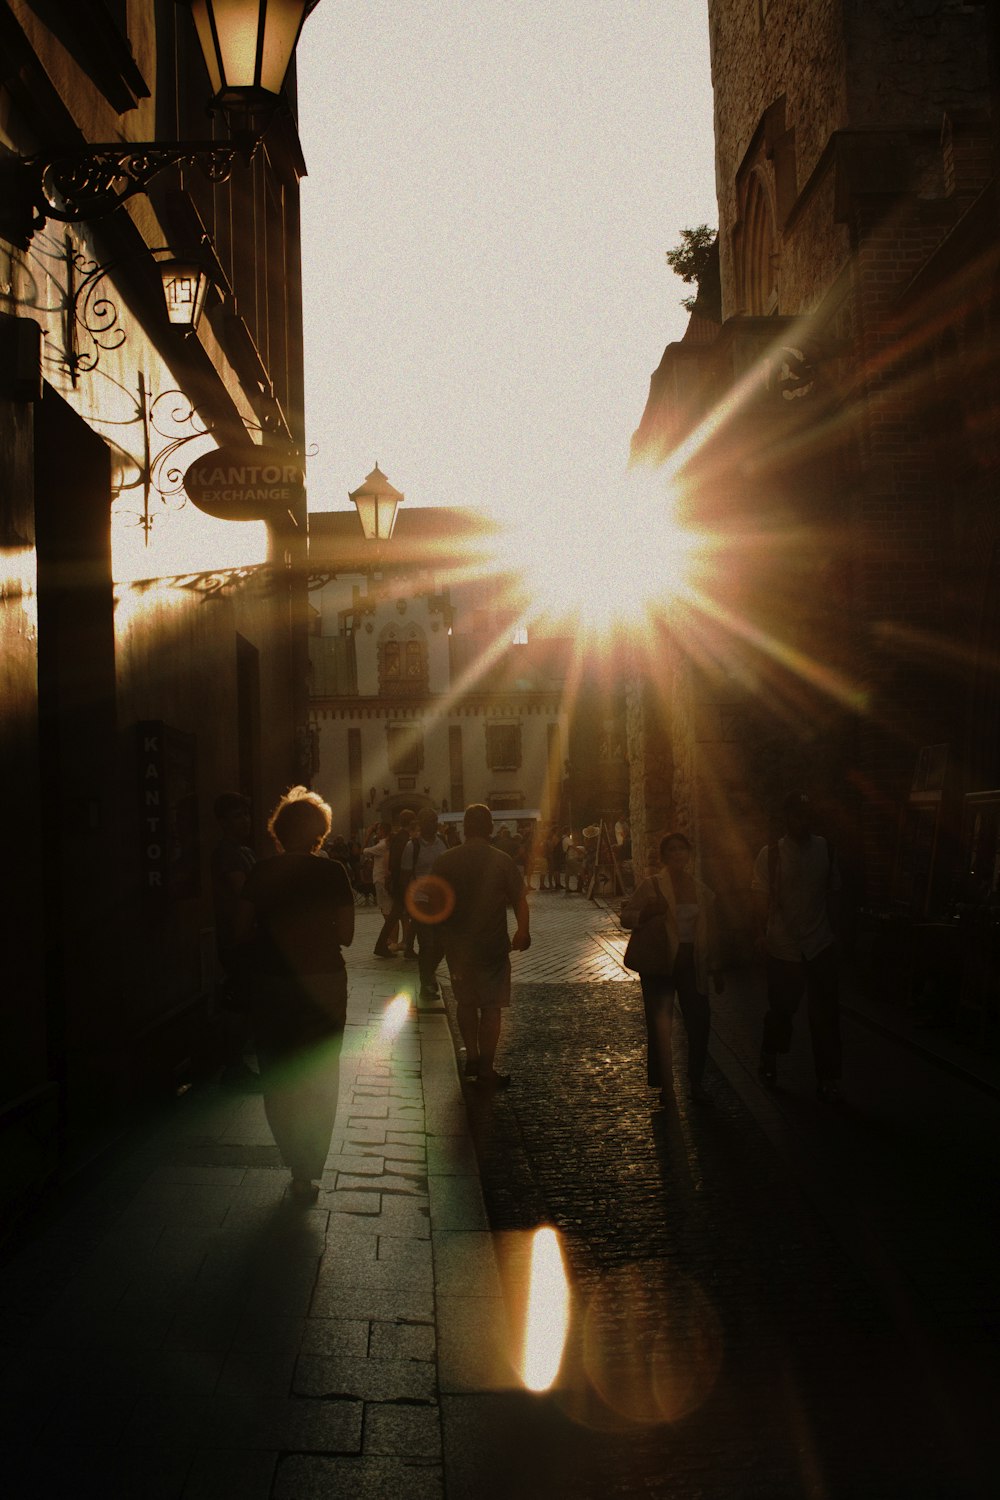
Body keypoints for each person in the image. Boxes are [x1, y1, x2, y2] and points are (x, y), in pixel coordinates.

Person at [236, 786, 355, 1202]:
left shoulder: (261, 872)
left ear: (279, 831)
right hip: (322, 979)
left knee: (278, 1069)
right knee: (321, 1071)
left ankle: (292, 1161)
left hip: (271, 982)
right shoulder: (333, 873)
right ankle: (309, 1166)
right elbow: (348, 935)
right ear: (320, 831)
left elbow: (240, 929)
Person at [620, 831, 725, 1106]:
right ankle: (666, 1084)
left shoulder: (702, 891)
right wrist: (646, 913)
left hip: (692, 964)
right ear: (664, 857)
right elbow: (627, 917)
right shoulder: (652, 886)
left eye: (682, 849)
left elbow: (711, 932)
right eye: (672, 850)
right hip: (660, 965)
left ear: (688, 854)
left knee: (699, 1024)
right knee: (660, 1027)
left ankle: (696, 1081)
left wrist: (716, 966)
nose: (678, 854)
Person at [751, 792, 842, 1102]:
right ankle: (770, 1057)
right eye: (796, 816)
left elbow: (833, 894)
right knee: (781, 1011)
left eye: (805, 816)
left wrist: (837, 935)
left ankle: (828, 1077)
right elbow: (759, 898)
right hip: (783, 946)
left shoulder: (825, 850)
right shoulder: (771, 855)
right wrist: (760, 933)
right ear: (787, 818)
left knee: (825, 1016)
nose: (801, 822)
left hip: (819, 943)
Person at [432, 803, 531, 1088]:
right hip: (492, 946)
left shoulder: (445, 861)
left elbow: (434, 903)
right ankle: (486, 1066)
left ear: (465, 827)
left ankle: (472, 1054)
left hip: (458, 947)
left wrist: (439, 939)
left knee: (465, 1000)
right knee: (491, 1006)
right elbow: (519, 900)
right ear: (489, 828)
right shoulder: (501, 860)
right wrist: (523, 932)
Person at [210, 791, 260, 1091]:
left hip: (250, 935)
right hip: (237, 936)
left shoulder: (245, 851)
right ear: (222, 821)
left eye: (246, 814)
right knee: (239, 1000)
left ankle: (238, 1062)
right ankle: (232, 1068)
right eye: (236, 815)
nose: (244, 820)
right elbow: (245, 892)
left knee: (246, 998)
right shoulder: (227, 853)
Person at [400, 807, 448, 1003]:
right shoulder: (412, 847)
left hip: (440, 900)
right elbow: (404, 877)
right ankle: (426, 983)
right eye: (429, 821)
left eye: (434, 821)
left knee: (441, 944)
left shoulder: (442, 843)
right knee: (427, 944)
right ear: (421, 824)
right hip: (420, 900)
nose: (433, 825)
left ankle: (429, 975)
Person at [373, 810, 416, 958]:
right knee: (407, 916)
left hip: (399, 884)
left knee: (397, 916)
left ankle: (388, 946)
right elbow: (400, 863)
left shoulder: (399, 838)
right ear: (412, 822)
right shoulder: (404, 839)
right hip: (402, 885)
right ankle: (405, 948)